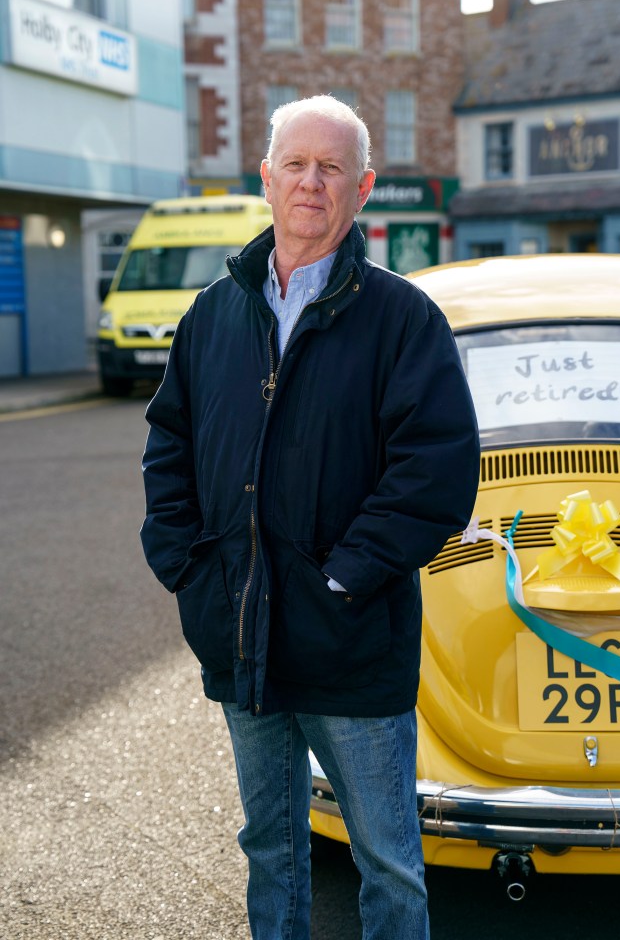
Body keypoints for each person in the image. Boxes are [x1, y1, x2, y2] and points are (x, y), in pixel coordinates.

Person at [141, 95, 479, 940]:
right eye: (296, 163)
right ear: (266, 177)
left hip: (351, 643)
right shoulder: (212, 315)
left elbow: (434, 471)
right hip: (242, 638)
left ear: (363, 188)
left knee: (389, 861)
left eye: (332, 168)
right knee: (271, 846)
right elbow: (168, 445)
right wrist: (187, 566)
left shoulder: (404, 319)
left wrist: (344, 577)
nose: (311, 182)